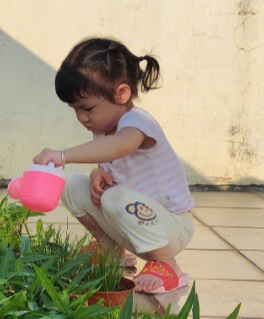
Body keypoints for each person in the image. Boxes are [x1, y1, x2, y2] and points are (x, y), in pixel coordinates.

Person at [34, 37, 193, 295]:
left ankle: (167, 265)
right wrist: (99, 174)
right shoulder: (103, 130)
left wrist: (63, 155)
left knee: (115, 199)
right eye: (75, 109)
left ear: (121, 94)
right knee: (72, 185)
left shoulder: (137, 122)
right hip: (133, 222)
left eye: (87, 108)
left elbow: (121, 146)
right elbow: (108, 162)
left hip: (171, 227)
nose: (81, 117)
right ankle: (113, 251)